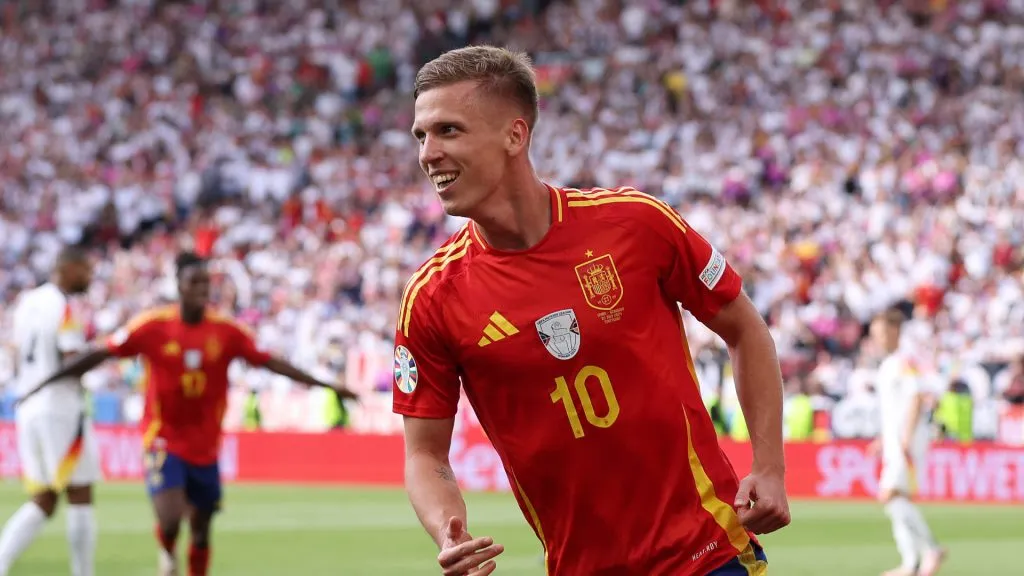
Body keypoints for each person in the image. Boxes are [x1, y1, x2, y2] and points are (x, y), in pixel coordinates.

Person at [392, 45, 790, 576]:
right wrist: (447, 528)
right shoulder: (433, 297)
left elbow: (743, 327)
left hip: (707, 554)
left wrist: (769, 466)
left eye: (448, 131)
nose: (427, 153)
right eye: (421, 135)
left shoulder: (635, 224)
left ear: (515, 134)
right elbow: (425, 454)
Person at [20, 252, 358, 576]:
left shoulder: (227, 332)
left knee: (201, 528)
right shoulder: (152, 326)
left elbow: (272, 363)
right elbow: (99, 354)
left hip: (206, 445)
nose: (201, 289)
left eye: (206, 283)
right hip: (163, 438)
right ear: (178, 285)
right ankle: (167, 551)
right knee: (170, 519)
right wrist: (45, 382)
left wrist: (326, 385)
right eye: (194, 282)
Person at [0, 247, 99, 576]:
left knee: (44, 497)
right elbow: (72, 359)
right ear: (68, 269)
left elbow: (14, 353)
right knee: (80, 489)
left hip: (28, 406)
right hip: (59, 406)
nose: (89, 277)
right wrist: (100, 356)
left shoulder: (27, 303)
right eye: (85, 270)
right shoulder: (62, 306)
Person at [867, 309, 946, 576]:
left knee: (889, 495)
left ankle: (931, 549)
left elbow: (915, 398)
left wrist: (905, 439)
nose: (876, 339)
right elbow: (893, 407)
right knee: (898, 500)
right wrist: (883, 439)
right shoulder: (890, 363)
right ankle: (911, 563)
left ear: (894, 331)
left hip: (906, 440)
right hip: (895, 440)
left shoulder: (904, 361)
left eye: (879, 333)